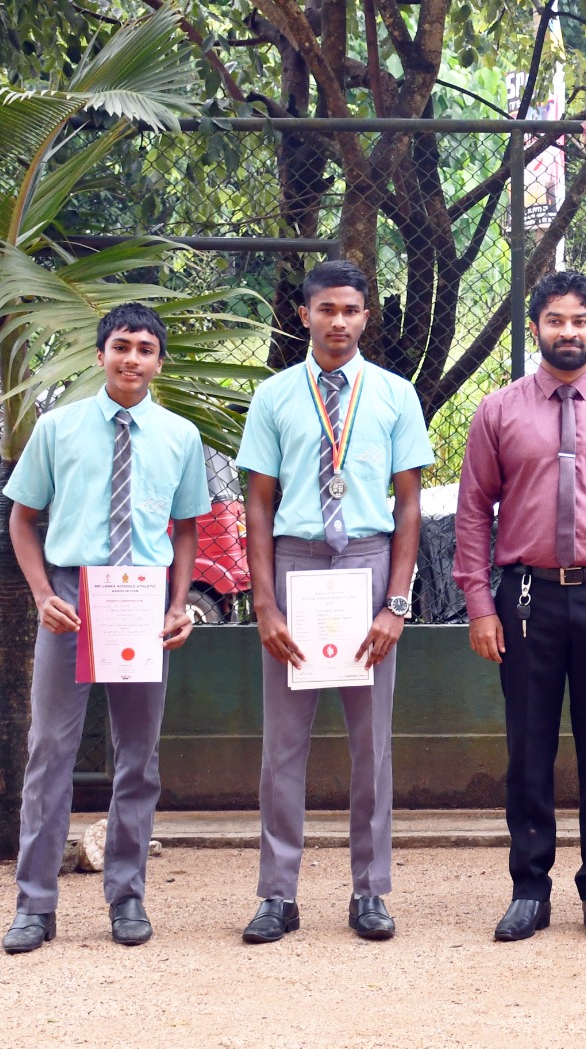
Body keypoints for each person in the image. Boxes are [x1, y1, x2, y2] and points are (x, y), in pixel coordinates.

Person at [454, 270, 586, 943]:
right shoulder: (498, 411)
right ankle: (529, 889)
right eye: (556, 320)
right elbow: (472, 513)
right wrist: (478, 605)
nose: (569, 332)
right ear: (536, 329)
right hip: (524, 600)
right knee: (528, 747)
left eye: (581, 321)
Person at [0, 304, 208, 953]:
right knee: (48, 753)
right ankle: (35, 906)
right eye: (121, 346)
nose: (132, 358)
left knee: (138, 759)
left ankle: (127, 896)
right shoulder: (57, 429)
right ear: (99, 355)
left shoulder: (180, 437)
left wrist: (179, 606)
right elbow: (21, 519)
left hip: (143, 603)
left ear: (158, 362)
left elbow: (188, 529)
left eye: (146, 348)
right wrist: (41, 595)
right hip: (70, 595)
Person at [236, 259, 434, 944]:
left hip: (368, 568)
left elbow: (409, 506)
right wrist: (264, 603)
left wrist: (397, 603)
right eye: (326, 310)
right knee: (282, 746)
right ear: (304, 314)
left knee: (371, 745)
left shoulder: (393, 394)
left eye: (351, 310)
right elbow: (256, 506)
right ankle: (276, 896)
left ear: (366, 314)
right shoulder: (274, 397)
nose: (339, 322)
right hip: (296, 566)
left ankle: (371, 892)